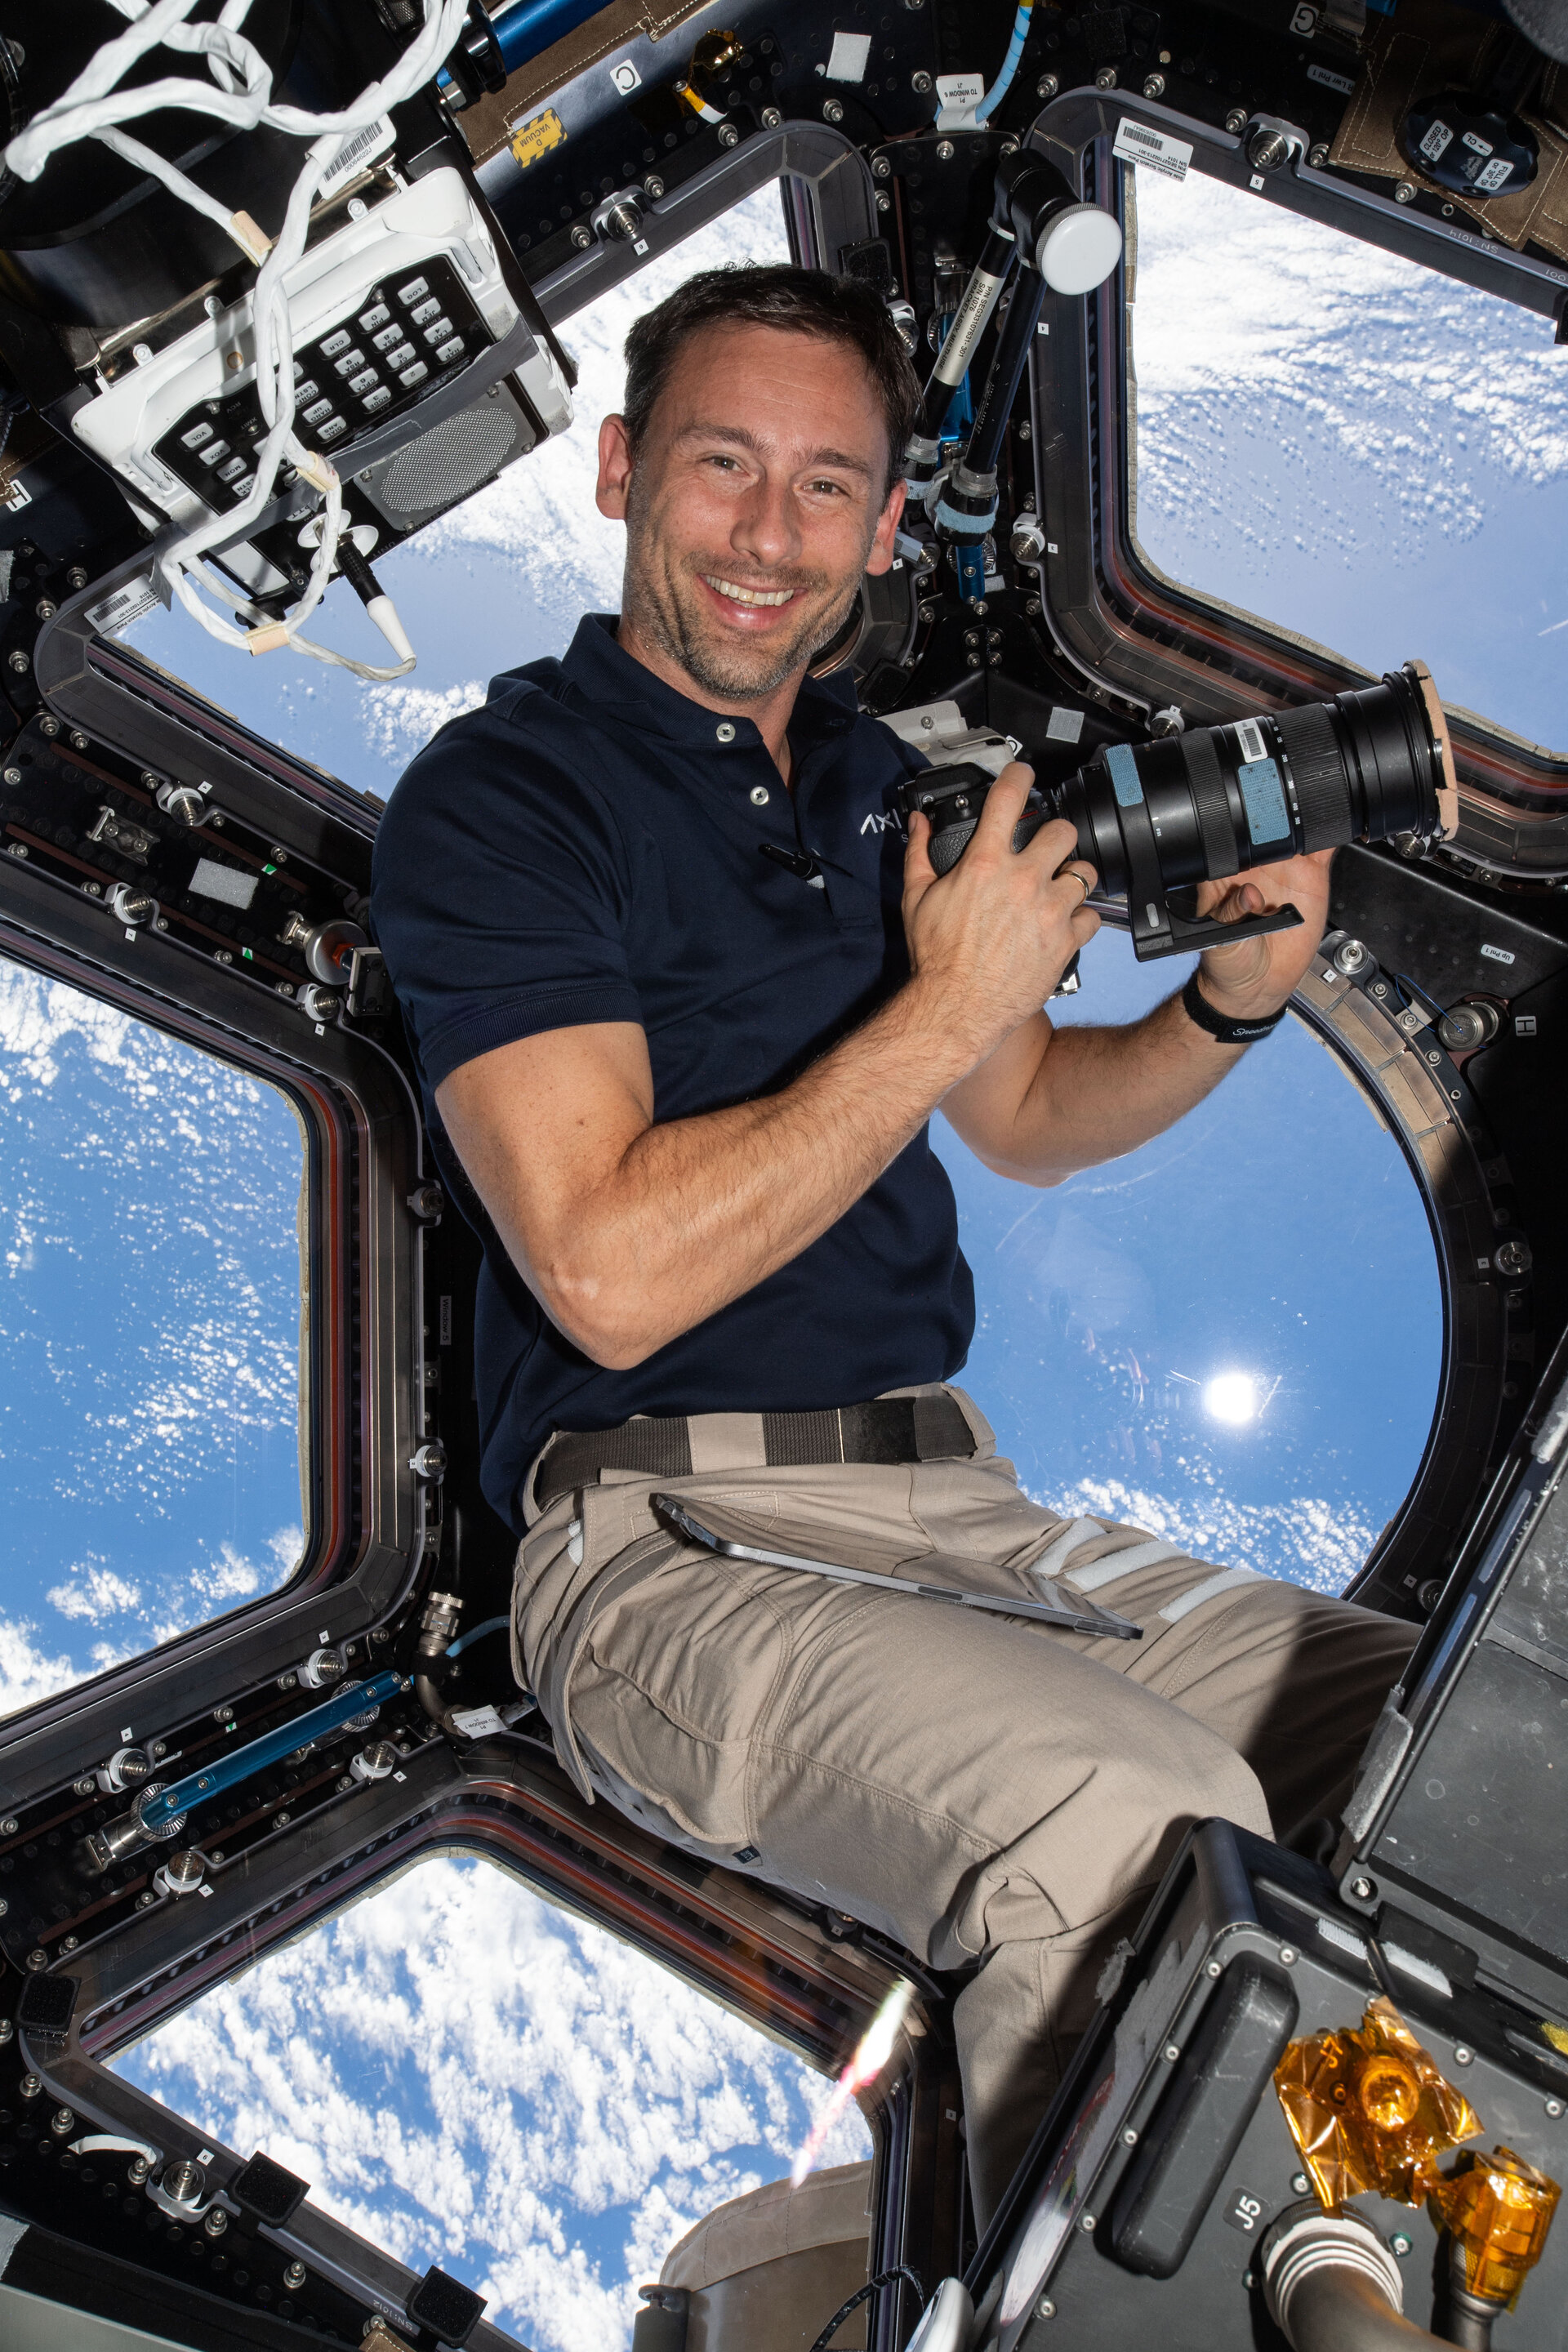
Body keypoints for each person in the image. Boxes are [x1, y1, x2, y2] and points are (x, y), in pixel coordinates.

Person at [371, 262, 1414, 2225]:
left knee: (1455, 1736)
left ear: (882, 519)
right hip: (661, 1558)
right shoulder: (504, 797)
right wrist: (945, 1004)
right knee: (1127, 1827)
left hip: (973, 1522)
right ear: (619, 471)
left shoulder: (884, 789)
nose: (772, 537)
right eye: (723, 466)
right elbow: (599, 1267)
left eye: (829, 485)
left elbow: (1018, 1117)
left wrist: (1229, 1008)